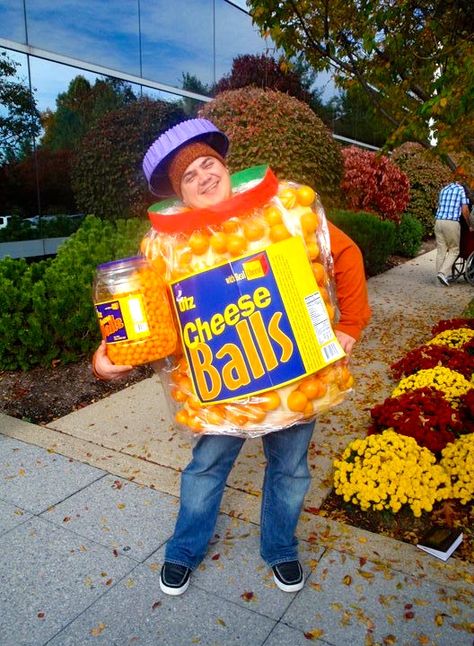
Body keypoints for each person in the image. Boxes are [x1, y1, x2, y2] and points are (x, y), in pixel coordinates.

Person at [93, 118, 371, 596]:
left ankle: (280, 548)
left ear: (225, 165)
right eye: (189, 176)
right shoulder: (165, 247)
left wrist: (349, 326)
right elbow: (141, 313)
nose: (204, 176)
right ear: (179, 192)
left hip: (292, 379)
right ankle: (184, 549)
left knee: (291, 468)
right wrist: (108, 355)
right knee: (205, 468)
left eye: (209, 163)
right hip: (220, 392)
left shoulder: (284, 208)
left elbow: (342, 255)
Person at [434, 180, 472, 286]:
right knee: (454, 250)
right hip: (451, 223)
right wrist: (469, 225)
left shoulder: (444, 189)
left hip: (438, 222)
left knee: (441, 251)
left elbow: (440, 206)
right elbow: (465, 210)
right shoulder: (460, 190)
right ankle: (442, 273)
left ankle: (438, 282)